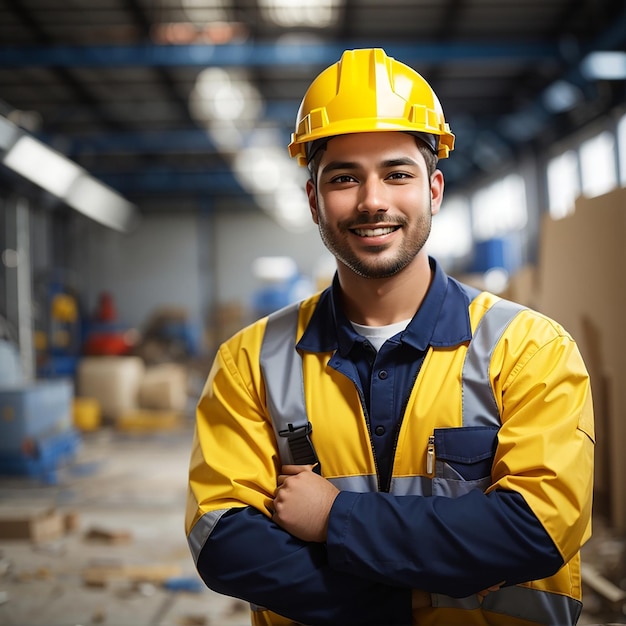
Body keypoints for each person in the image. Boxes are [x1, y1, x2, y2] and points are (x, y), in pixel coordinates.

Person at [185, 48, 594, 626]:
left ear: (434, 188)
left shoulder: (529, 350)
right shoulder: (249, 360)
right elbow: (224, 538)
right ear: (313, 201)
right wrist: (402, 607)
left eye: (397, 174)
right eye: (344, 177)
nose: (372, 200)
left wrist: (335, 519)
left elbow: (537, 529)